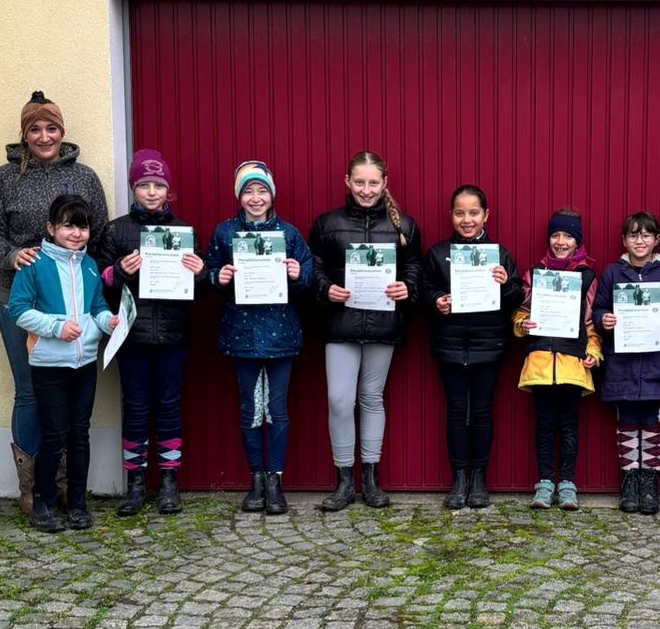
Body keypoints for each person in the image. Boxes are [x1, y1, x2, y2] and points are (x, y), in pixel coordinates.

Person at [0, 90, 109, 515]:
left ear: (62, 132)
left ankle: (67, 486)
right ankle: (32, 487)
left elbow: (100, 234)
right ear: (24, 134)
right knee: (30, 391)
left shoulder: (84, 178)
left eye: (51, 127)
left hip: (72, 300)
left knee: (70, 397)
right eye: (35, 128)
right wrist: (14, 256)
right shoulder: (4, 178)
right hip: (19, 296)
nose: (44, 135)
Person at [308, 151, 423, 511]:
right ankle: (344, 481)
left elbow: (414, 267)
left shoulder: (404, 225)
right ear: (347, 182)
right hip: (340, 323)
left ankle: (371, 480)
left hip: (383, 322)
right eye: (360, 182)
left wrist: (408, 289)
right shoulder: (327, 224)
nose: (367, 189)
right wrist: (326, 289)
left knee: (372, 398)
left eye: (374, 183)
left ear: (385, 183)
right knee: (339, 400)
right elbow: (316, 267)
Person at [203, 160, 314, 516]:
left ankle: (275, 481)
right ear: (239, 195)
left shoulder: (290, 235)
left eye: (262, 190)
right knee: (251, 410)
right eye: (248, 191)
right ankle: (256, 481)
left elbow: (309, 276)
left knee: (278, 410)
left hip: (282, 333)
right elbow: (206, 273)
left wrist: (299, 274)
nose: (255, 198)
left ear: (272, 194)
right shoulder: (225, 233)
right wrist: (218, 276)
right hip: (243, 333)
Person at [97, 150, 203, 519]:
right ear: (134, 187)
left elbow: (200, 288)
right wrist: (120, 272)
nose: (152, 192)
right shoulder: (116, 230)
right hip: (132, 336)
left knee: (169, 405)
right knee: (137, 407)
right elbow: (99, 283)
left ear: (169, 190)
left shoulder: (184, 232)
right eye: (145, 185)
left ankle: (170, 481)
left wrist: (200, 272)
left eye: (159, 185)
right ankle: (136, 482)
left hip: (173, 334)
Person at [5, 195, 116, 532]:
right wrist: (56, 328)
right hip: (49, 365)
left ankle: (78, 503)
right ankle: (43, 502)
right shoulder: (35, 265)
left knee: (79, 435)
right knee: (54, 436)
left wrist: (108, 320)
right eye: (68, 225)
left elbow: (96, 307)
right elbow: (19, 310)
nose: (76, 233)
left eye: (82, 226)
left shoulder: (90, 266)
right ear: (51, 228)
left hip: (84, 365)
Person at [424, 185, 523, 510]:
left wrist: (505, 283)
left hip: (488, 344)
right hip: (450, 344)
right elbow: (424, 291)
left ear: (486, 215)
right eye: (460, 213)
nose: (467, 220)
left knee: (481, 413)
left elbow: (515, 299)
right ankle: (459, 478)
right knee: (455, 412)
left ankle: (479, 478)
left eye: (473, 213)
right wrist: (436, 301)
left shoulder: (500, 254)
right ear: (451, 215)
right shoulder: (438, 253)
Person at [595, 213, 660, 514]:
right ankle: (630, 479)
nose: (640, 240)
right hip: (622, 364)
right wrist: (603, 319)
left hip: (656, 364)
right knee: (627, 421)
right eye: (633, 235)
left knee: (652, 421)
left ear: (657, 239)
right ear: (624, 240)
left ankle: (650, 482)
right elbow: (599, 308)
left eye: (646, 235)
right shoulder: (612, 273)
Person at [514, 210, 603, 510]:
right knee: (543, 426)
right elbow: (522, 312)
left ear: (578, 241)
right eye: (555, 235)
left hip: (571, 366)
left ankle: (567, 484)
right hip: (540, 364)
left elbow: (590, 324)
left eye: (567, 236)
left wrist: (594, 351)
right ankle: (544, 484)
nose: (560, 242)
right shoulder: (534, 274)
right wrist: (521, 324)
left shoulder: (587, 277)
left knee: (568, 426)